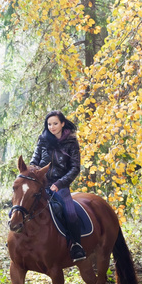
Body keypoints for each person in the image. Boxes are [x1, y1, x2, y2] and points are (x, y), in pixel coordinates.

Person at [30, 110, 85, 262]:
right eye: (49, 124)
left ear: (62, 123)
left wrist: (59, 184)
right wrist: (32, 173)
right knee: (23, 203)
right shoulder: (43, 139)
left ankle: (76, 245)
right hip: (41, 183)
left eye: (55, 123)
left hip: (60, 185)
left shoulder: (71, 142)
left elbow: (75, 168)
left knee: (70, 213)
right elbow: (34, 161)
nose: (52, 127)